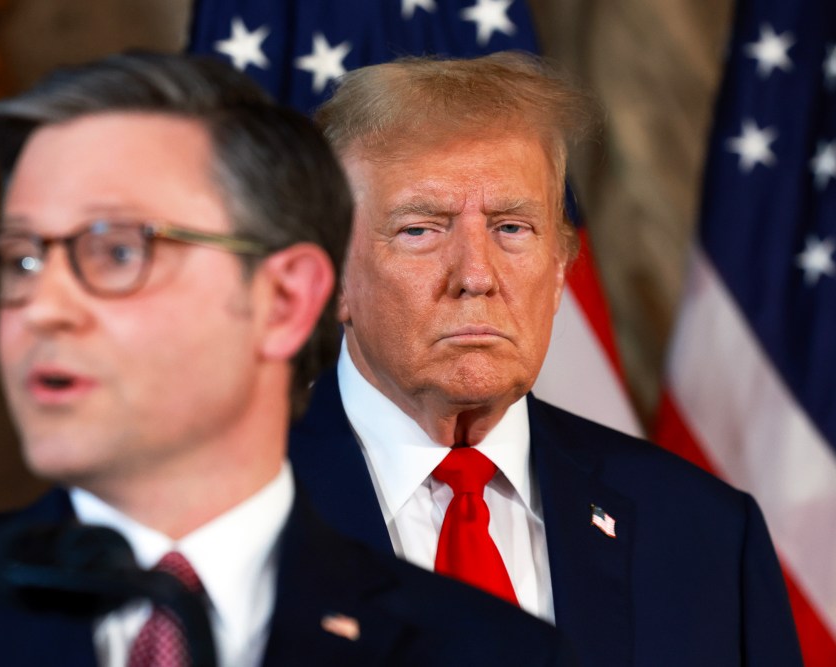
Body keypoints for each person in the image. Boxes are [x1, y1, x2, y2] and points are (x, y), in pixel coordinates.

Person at [0, 51, 576, 666]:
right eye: (22, 259)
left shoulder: (492, 653)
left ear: (285, 299)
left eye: (117, 250)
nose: (44, 306)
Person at [289, 52, 804, 667]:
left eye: (512, 228)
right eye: (421, 230)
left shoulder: (706, 537)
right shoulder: (216, 508)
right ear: (332, 275)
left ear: (560, 270)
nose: (476, 276)